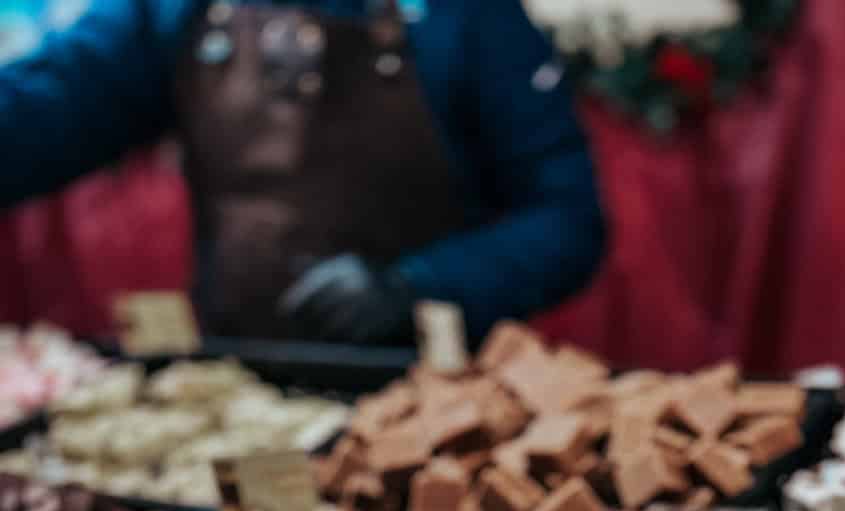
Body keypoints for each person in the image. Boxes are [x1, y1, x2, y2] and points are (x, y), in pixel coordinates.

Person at [0, 0, 606, 343]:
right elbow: (48, 109)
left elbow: (567, 218)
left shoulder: (468, 18)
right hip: (236, 396)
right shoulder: (170, 10)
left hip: (422, 400)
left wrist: (420, 285)